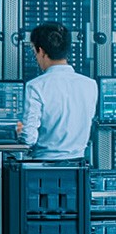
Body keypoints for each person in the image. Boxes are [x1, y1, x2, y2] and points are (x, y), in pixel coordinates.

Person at [16, 21, 98, 160]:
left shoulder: (35, 86)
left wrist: (19, 130)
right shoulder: (90, 85)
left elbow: (29, 139)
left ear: (41, 51)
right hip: (78, 167)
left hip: (42, 166)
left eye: (34, 52)